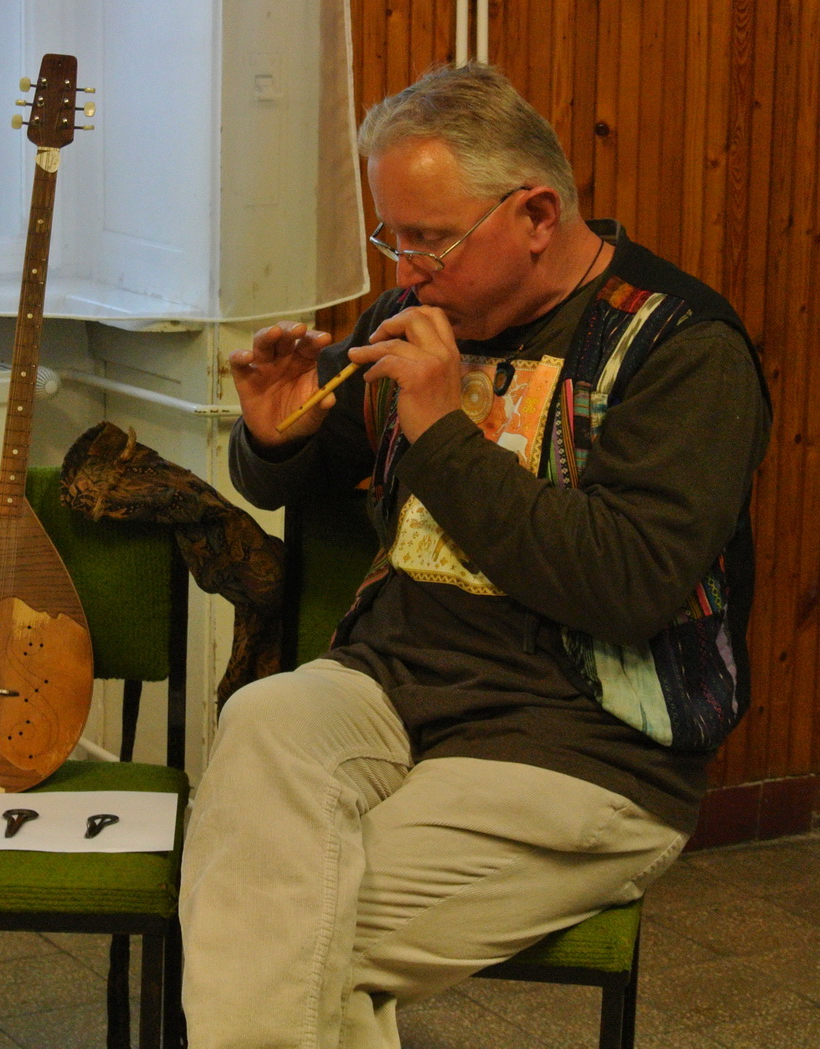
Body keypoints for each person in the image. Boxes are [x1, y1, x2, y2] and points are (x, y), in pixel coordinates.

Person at [178, 62, 771, 1049]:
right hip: (394, 688)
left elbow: (628, 585)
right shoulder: (413, 317)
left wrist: (441, 429)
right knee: (265, 716)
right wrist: (275, 436)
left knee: (271, 932)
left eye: (430, 238)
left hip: (583, 743)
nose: (407, 268)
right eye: (393, 237)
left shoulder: (681, 349)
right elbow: (292, 473)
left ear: (536, 214)